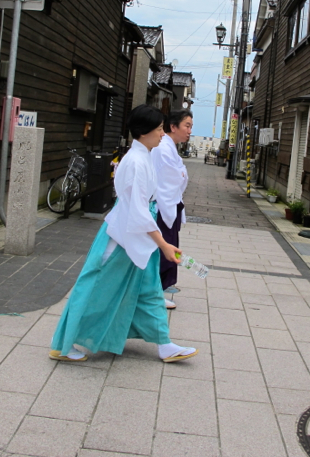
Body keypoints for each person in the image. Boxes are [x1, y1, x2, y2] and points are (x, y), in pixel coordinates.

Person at [49, 105, 198, 364]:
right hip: (122, 238)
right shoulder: (137, 161)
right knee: (96, 288)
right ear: (144, 131)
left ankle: (164, 344)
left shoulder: (141, 156)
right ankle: (64, 344)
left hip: (136, 234)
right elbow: (139, 211)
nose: (162, 134)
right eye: (159, 129)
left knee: (149, 289)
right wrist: (163, 244)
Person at [151, 110, 193, 308]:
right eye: (187, 125)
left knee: (169, 251)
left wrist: (181, 174)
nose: (189, 131)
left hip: (170, 206)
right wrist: (181, 174)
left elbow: (180, 176)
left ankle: (156, 293)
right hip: (163, 207)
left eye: (191, 126)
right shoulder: (162, 148)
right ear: (173, 127)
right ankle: (153, 295)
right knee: (163, 253)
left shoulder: (170, 148)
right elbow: (174, 178)